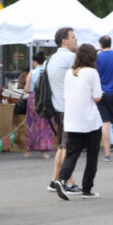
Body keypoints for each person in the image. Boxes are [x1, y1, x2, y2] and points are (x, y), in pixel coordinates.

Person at [52, 43, 102, 200]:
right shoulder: (92, 72)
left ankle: (61, 179)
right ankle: (87, 189)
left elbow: (66, 96)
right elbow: (97, 97)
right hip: (90, 121)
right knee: (92, 155)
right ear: (92, 56)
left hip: (72, 120)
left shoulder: (69, 73)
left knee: (72, 154)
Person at [46, 26, 79, 194]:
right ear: (64, 40)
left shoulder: (51, 58)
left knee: (62, 144)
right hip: (69, 106)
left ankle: (55, 180)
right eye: (73, 37)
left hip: (56, 106)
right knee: (68, 146)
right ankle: (67, 181)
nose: (76, 40)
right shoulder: (71, 57)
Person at [24, 52, 53, 159]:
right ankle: (44, 151)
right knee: (45, 124)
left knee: (32, 124)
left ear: (35, 61)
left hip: (34, 98)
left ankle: (29, 150)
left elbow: (26, 89)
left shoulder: (31, 73)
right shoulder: (47, 71)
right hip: (45, 98)